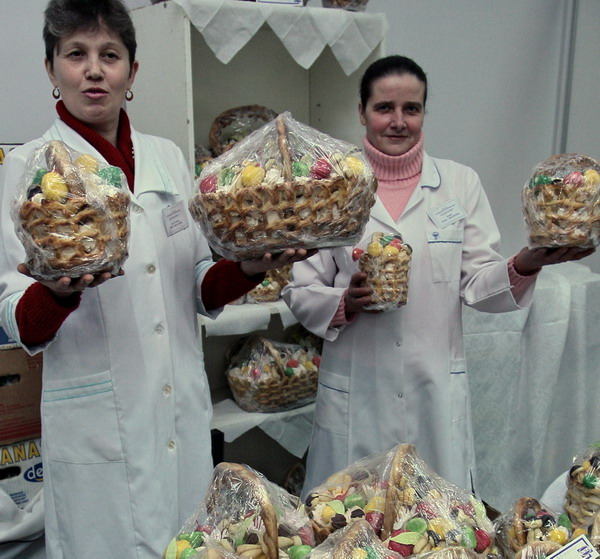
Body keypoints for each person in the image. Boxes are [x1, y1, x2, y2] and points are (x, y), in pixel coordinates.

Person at [0, 1, 314, 557]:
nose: (93, 70)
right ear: (51, 69)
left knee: (190, 542)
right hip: (97, 420)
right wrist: (57, 292)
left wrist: (250, 266)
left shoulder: (166, 157)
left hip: (177, 411)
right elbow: (17, 315)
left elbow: (198, 280)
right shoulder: (27, 169)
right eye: (75, 54)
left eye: (110, 55)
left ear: (132, 71)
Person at [281, 55, 594, 498]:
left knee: (436, 519)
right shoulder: (331, 188)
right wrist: (344, 301)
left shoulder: (459, 184)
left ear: (424, 112)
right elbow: (300, 288)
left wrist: (527, 262)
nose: (398, 121)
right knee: (348, 516)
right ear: (362, 112)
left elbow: (478, 284)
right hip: (358, 393)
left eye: (411, 108)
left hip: (433, 391)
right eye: (384, 108)